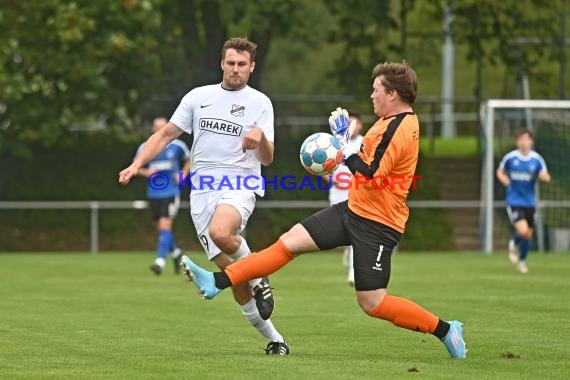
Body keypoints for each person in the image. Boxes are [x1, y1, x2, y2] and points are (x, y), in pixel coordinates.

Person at [180, 62, 467, 359]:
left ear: (392, 94)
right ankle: (217, 281)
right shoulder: (387, 121)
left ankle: (446, 330)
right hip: (354, 209)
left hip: (378, 224)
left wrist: (343, 146)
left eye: (376, 90)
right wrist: (344, 149)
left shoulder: (400, 127)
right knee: (288, 243)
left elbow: (370, 173)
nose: (372, 95)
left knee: (373, 303)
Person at [119, 37, 288, 355]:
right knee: (236, 280)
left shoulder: (260, 103)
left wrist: (261, 136)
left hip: (239, 184)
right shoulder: (198, 97)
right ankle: (275, 339)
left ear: (251, 67)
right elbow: (166, 134)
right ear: (221, 63)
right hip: (202, 192)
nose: (235, 69)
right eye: (230, 63)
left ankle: (260, 278)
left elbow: (267, 159)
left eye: (242, 64)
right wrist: (136, 164)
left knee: (221, 232)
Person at [134, 117, 191, 275]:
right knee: (161, 229)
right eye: (156, 127)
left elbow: (190, 160)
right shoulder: (145, 147)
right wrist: (146, 172)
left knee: (165, 226)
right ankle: (177, 253)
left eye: (163, 127)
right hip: (154, 193)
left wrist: (183, 174)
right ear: (153, 129)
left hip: (171, 192)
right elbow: (135, 167)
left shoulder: (178, 145)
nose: (160, 129)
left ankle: (159, 262)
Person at [496, 128, 551, 274]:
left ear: (531, 141)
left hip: (530, 202)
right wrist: (504, 179)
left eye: (526, 139)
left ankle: (521, 262)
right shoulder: (510, 158)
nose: (524, 142)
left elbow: (545, 175)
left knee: (528, 236)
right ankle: (513, 243)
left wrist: (544, 178)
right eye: (521, 139)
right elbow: (500, 171)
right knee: (523, 231)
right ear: (517, 141)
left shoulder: (537, 159)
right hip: (514, 201)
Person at [322, 111, 364, 286]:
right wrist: (333, 180)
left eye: (355, 123)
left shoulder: (365, 142)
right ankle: (347, 251)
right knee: (344, 232)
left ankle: (354, 273)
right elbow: (322, 167)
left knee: (356, 233)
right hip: (337, 194)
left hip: (359, 194)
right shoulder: (333, 143)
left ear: (360, 125)